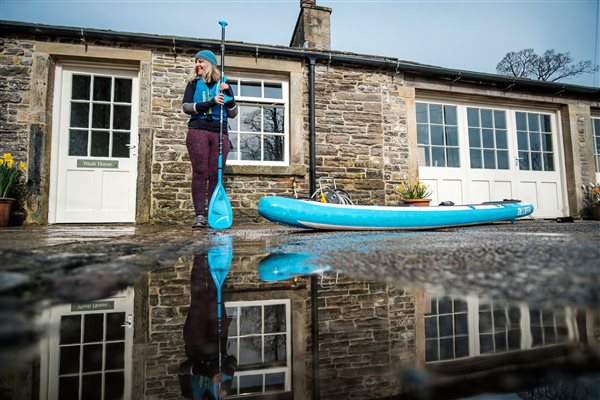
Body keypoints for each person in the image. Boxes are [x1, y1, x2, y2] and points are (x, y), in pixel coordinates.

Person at [182, 49, 238, 228]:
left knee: (216, 174)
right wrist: (212, 102)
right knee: (200, 172)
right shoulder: (192, 84)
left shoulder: (224, 84)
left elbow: (233, 113)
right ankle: (199, 215)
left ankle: (214, 212)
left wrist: (228, 94)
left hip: (219, 131)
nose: (197, 65)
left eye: (201, 62)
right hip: (198, 130)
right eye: (196, 62)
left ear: (210, 64)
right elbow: (187, 107)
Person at [178, 254, 237, 399]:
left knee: (198, 297)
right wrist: (227, 375)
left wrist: (211, 374)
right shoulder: (222, 393)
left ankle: (199, 254)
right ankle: (215, 253)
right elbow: (232, 361)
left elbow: (183, 369)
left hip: (195, 343)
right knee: (215, 293)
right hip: (218, 339)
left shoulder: (190, 394)